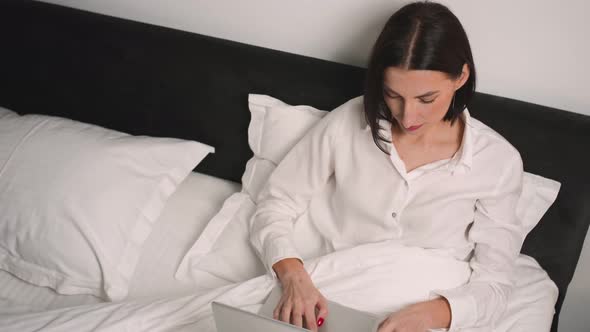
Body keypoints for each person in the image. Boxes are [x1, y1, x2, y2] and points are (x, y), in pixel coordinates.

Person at [249, 2, 524, 332]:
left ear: (461, 77)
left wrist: (435, 314)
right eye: (393, 94)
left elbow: (495, 282)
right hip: (328, 295)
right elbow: (276, 203)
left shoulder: (497, 162)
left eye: (426, 99)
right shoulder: (347, 124)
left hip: (425, 312)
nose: (407, 117)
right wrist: (294, 277)